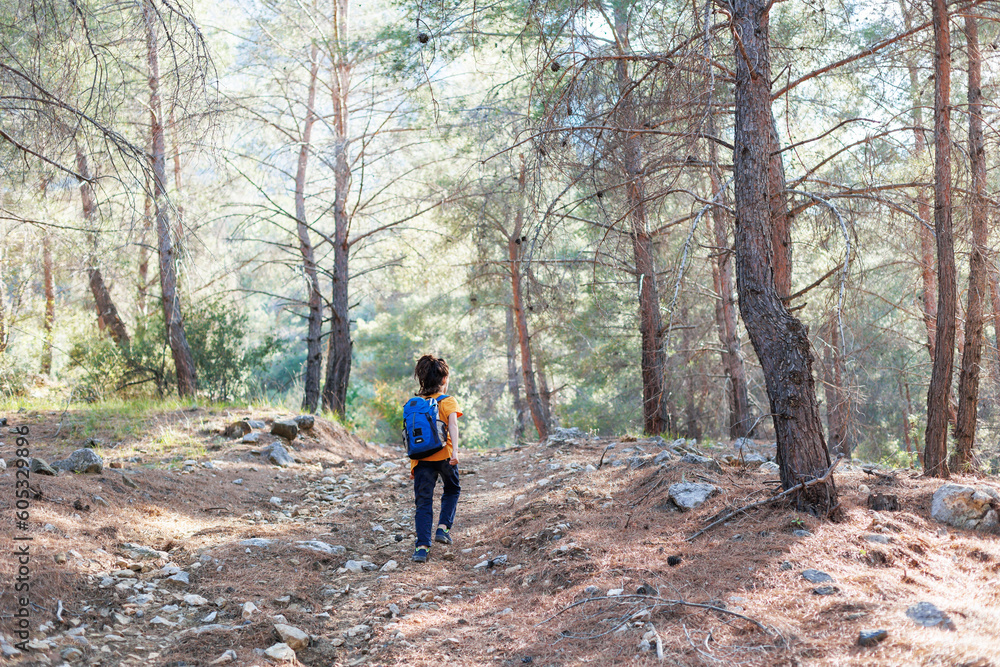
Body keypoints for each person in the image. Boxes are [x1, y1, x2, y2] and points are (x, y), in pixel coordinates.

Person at [410, 354, 462, 563]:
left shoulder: (414, 403)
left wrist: (414, 464)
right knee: (452, 489)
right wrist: (456, 452)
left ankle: (421, 548)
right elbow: (453, 426)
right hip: (445, 457)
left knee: (423, 503)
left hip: (421, 459)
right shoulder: (448, 401)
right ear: (443, 380)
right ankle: (443, 528)